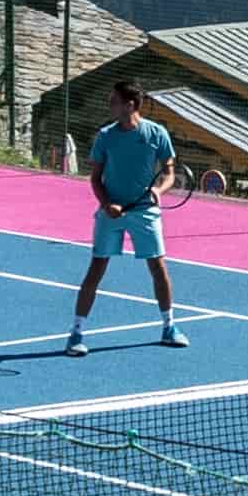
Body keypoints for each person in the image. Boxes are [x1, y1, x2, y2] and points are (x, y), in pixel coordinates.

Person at [64, 80, 187, 353]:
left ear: (130, 105)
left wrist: (158, 190)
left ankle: (169, 327)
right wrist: (107, 204)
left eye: (114, 101)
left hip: (145, 213)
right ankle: (76, 333)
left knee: (158, 268)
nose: (109, 106)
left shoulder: (157, 133)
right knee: (96, 269)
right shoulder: (105, 136)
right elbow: (95, 178)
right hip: (111, 213)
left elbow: (169, 173)